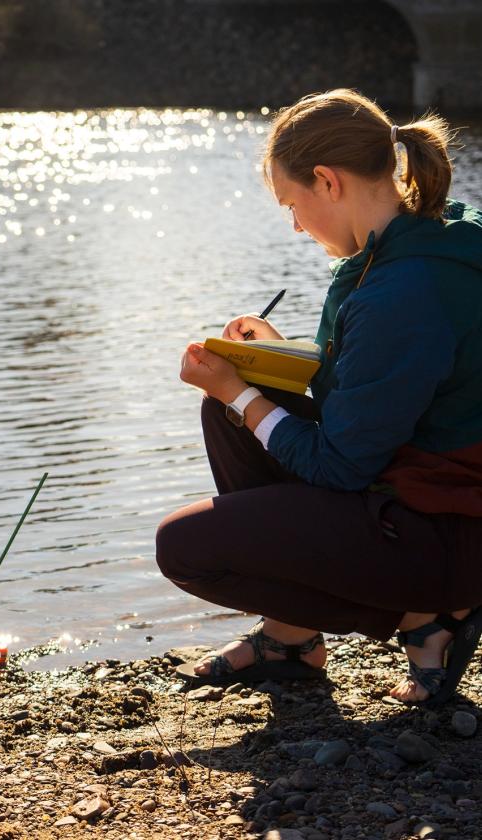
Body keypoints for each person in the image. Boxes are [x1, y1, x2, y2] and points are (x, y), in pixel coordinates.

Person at [155, 89, 482, 707]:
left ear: (327, 181)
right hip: (429, 488)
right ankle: (292, 639)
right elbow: (404, 385)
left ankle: (430, 618)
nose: (297, 226)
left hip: (449, 530)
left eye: (293, 205)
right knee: (230, 412)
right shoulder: (433, 235)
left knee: (184, 547)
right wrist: (281, 362)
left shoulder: (403, 290)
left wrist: (239, 390)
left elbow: (340, 464)